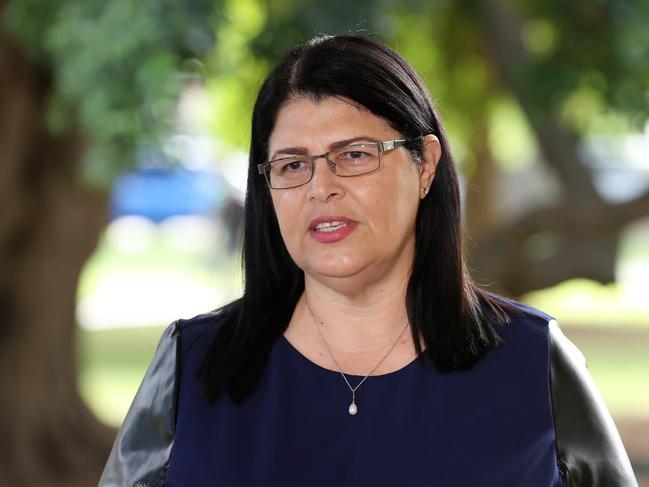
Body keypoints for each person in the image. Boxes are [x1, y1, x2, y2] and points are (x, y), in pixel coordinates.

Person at [99, 35, 638, 487]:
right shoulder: (191, 369)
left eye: (353, 155)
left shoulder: (533, 365)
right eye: (292, 165)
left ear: (425, 164)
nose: (320, 188)